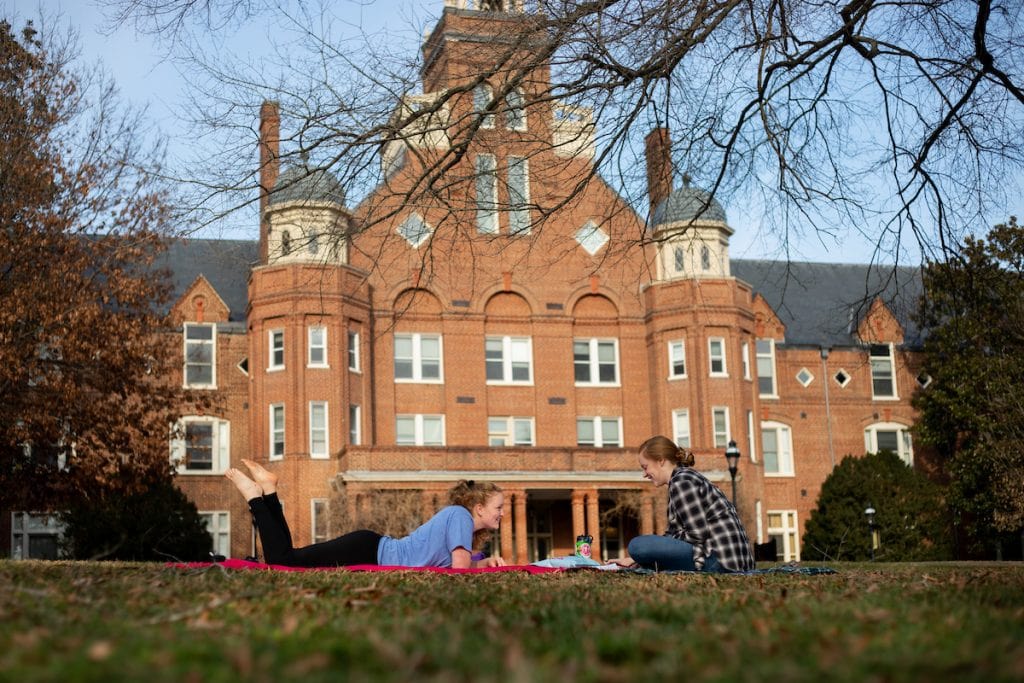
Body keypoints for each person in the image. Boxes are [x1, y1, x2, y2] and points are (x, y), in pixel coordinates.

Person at [225, 459, 506, 569]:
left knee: (290, 558)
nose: (502, 514)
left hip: (371, 549)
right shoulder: (460, 516)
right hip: (369, 550)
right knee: (283, 561)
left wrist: (486, 564)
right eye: (498, 507)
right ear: (478, 507)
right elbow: (459, 571)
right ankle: (255, 497)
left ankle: (269, 491)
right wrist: (483, 568)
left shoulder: (464, 528)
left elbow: (457, 565)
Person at [615, 435, 754, 573]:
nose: (644, 474)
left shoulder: (682, 482)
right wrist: (635, 559)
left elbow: (697, 534)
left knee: (637, 546)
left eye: (645, 467)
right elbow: (678, 534)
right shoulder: (683, 478)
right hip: (724, 558)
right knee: (639, 550)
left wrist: (648, 552)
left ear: (661, 461)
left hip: (719, 560)